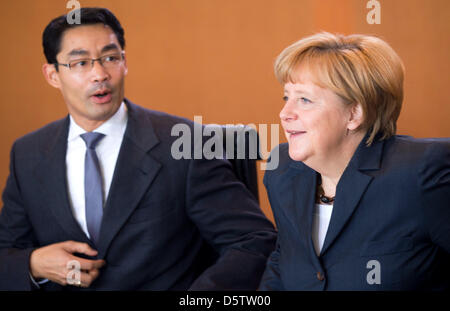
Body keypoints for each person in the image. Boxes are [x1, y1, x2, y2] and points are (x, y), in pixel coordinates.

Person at [0, 7, 276, 290]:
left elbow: (253, 241)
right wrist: (33, 263)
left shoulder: (188, 144)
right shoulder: (28, 153)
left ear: (125, 62)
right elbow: (7, 250)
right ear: (52, 75)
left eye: (110, 58)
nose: (99, 74)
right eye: (81, 63)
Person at [259, 32, 450, 290]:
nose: (284, 113)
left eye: (304, 100)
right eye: (287, 97)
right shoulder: (282, 171)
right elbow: (285, 260)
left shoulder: (421, 174)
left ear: (354, 113)